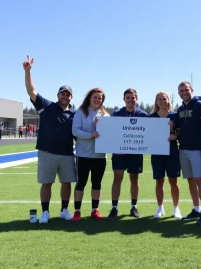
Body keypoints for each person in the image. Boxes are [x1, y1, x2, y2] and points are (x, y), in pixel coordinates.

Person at [23, 54, 76, 224]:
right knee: (47, 183)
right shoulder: (46, 106)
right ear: (58, 95)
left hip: (67, 153)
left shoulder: (74, 114)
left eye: (68, 95)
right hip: (47, 152)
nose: (65, 96)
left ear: (71, 98)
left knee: (66, 183)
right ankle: (45, 212)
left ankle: (64, 210)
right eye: (63, 94)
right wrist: (28, 71)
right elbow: (32, 91)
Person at [107, 88, 148, 220]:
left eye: (133, 97)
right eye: (128, 97)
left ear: (137, 98)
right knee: (117, 177)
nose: (131, 100)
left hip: (135, 154)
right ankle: (114, 208)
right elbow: (109, 130)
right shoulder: (116, 113)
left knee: (134, 178)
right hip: (119, 153)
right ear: (124, 99)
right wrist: (99, 124)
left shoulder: (143, 114)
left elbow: (149, 133)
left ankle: (133, 206)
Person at [176, 81, 201, 226]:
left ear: (192, 90)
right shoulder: (180, 108)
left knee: (199, 180)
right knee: (190, 180)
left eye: (186, 90)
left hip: (197, 149)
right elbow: (178, 128)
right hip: (183, 149)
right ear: (178, 93)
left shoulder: (200, 105)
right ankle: (196, 209)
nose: (184, 93)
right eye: (181, 91)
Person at [72, 88, 109, 221]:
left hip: (100, 156)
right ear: (89, 98)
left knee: (97, 183)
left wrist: (100, 127)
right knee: (81, 182)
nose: (97, 100)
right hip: (83, 154)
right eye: (95, 97)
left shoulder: (105, 114)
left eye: (100, 98)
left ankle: (95, 210)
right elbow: (75, 130)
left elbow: (110, 133)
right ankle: (77, 211)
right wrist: (90, 135)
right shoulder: (81, 112)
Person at [149, 92, 182, 220]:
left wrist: (174, 134)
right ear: (156, 102)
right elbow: (147, 135)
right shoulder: (151, 117)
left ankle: (176, 208)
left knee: (173, 181)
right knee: (159, 180)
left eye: (164, 99)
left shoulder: (175, 115)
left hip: (172, 152)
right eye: (160, 99)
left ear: (168, 100)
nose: (162, 101)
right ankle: (160, 207)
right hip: (157, 153)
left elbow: (180, 132)